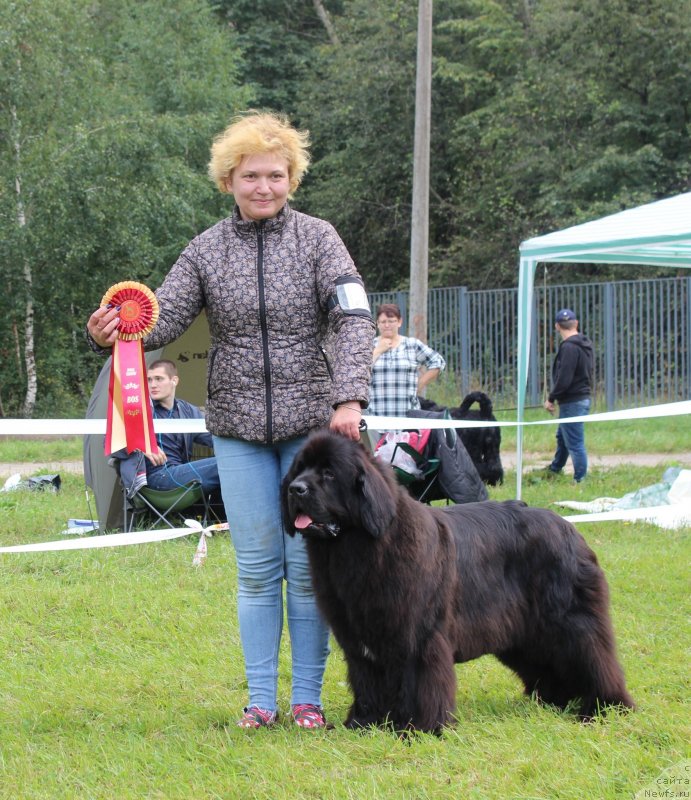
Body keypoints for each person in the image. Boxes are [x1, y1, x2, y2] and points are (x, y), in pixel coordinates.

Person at [86, 111, 374, 730]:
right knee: (257, 567)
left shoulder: (321, 239)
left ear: (292, 178)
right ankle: (261, 702)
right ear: (228, 181)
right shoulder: (206, 250)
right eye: (251, 176)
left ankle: (308, 701)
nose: (264, 187)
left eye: (275, 175)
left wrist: (348, 397)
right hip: (237, 431)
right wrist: (110, 330)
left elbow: (354, 319)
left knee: (307, 571)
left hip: (312, 434)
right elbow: (159, 323)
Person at [543, 308, 594, 483]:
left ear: (557, 326)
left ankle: (580, 479)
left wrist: (551, 398)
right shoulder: (584, 343)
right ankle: (556, 468)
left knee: (574, 442)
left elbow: (564, 378)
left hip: (572, 400)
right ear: (576, 323)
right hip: (580, 398)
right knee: (563, 437)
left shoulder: (569, 347)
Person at [368, 303, 445, 417]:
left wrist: (420, 384)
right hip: (376, 415)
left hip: (407, 415)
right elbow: (358, 372)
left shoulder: (412, 344)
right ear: (377, 324)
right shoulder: (369, 346)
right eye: (383, 322)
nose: (387, 325)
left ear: (399, 322)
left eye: (391, 321)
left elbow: (438, 362)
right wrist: (378, 351)